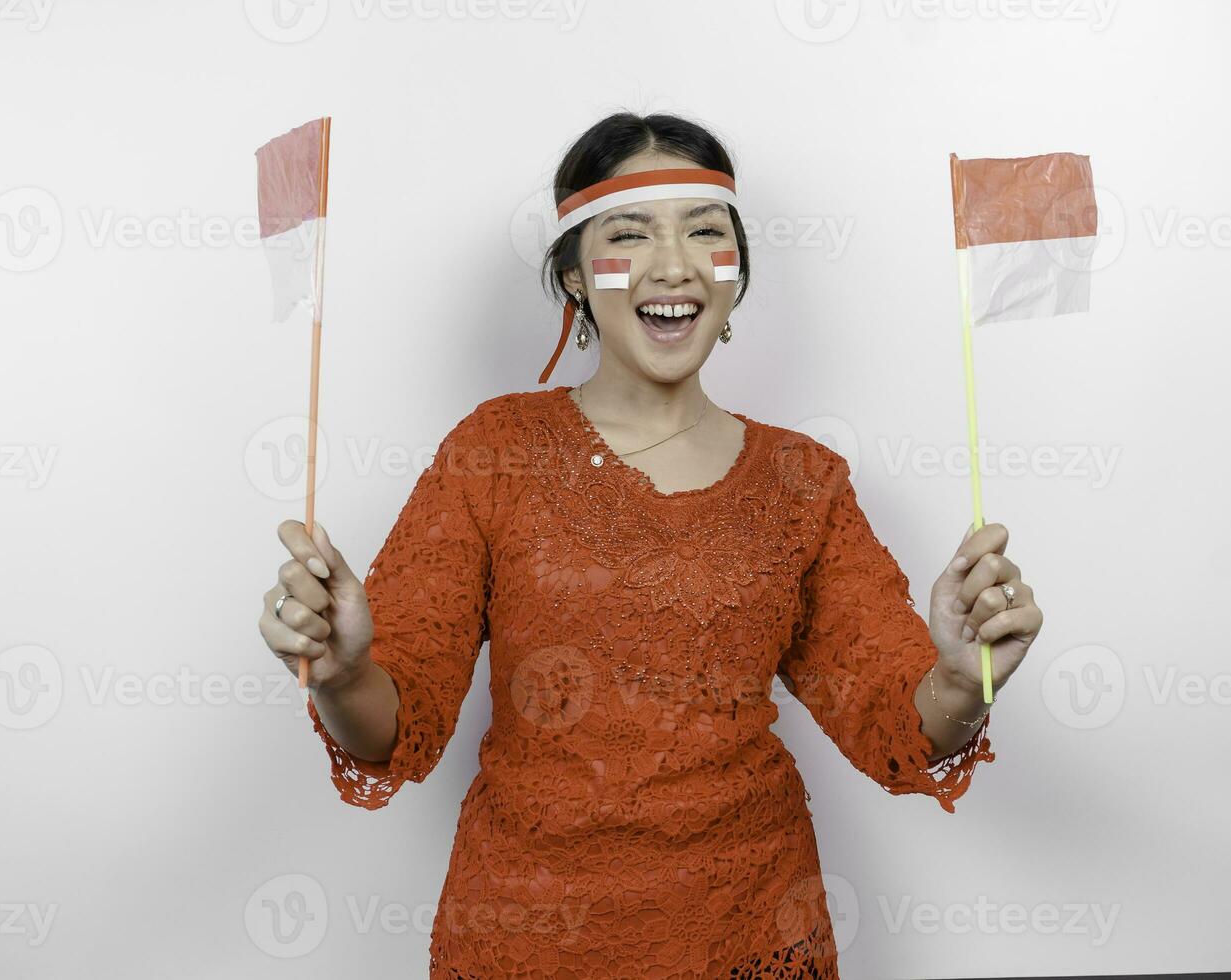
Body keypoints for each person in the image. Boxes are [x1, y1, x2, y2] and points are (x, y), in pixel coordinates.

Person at [257, 111, 1042, 978]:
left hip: (751, 931)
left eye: (705, 231)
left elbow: (898, 724)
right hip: (525, 937)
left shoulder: (803, 479)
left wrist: (971, 673)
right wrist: (340, 673)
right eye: (629, 233)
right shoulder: (495, 450)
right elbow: (391, 733)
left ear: (737, 274)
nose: (674, 265)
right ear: (573, 277)